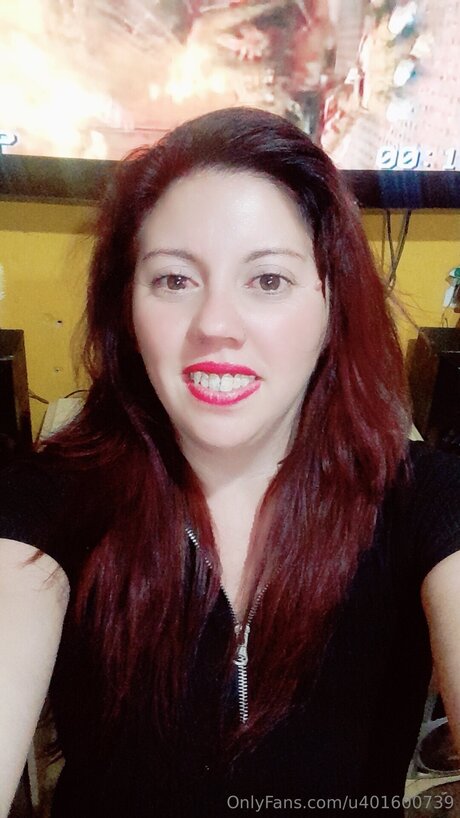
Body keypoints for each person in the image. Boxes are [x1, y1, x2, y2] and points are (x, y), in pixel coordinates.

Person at [0, 106, 460, 818]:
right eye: (174, 280)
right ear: (127, 311)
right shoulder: (48, 499)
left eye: (268, 280)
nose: (216, 325)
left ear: (331, 305)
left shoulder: (421, 498)